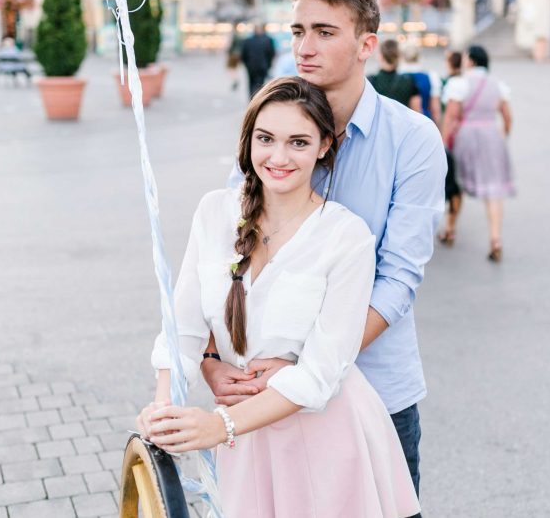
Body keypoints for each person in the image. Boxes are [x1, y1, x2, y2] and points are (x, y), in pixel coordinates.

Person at [204, 0, 446, 501]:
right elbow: (227, 251)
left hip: (374, 390)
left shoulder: (412, 140)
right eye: (297, 31)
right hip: (264, 391)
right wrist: (212, 361)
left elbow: (399, 278)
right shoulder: (272, 126)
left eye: (324, 32)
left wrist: (305, 361)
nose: (304, 47)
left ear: (367, 45)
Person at [138, 77, 421, 518]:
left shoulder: (347, 238)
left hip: (328, 436)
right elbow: (184, 329)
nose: (279, 157)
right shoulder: (214, 212)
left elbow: (323, 374)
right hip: (244, 439)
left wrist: (218, 425)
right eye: (266, 138)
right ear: (248, 138)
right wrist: (163, 406)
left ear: (324, 146)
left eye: (299, 142)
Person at [439, 45, 515, 262]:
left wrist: (444, 143)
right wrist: (502, 135)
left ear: (470, 61)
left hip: (466, 136)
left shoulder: (459, 84)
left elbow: (451, 117)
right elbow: (508, 117)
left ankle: (450, 229)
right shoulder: (498, 85)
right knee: (493, 190)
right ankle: (495, 239)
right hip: (491, 136)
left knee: (458, 184)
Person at [437, 50, 464, 246]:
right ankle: (451, 225)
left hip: (449, 137)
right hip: (466, 137)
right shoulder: (466, 82)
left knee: (449, 182)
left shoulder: (447, 84)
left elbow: (446, 114)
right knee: (457, 185)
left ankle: (448, 226)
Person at [368, 39, 422, 113]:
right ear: (399, 56)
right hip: (402, 123)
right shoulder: (409, 80)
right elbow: (417, 111)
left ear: (380, 56)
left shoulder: (370, 81)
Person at [399, 43, 441, 125]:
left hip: (401, 124)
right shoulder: (431, 77)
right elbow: (435, 109)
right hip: (424, 123)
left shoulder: (398, 76)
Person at [240, 24, 276, 99]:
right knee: (260, 84)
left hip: (252, 66)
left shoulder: (248, 40)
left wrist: (247, 64)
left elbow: (243, 54)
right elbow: (271, 54)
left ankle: (252, 99)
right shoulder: (268, 40)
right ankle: (257, 99)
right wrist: (268, 65)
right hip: (262, 66)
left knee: (252, 83)